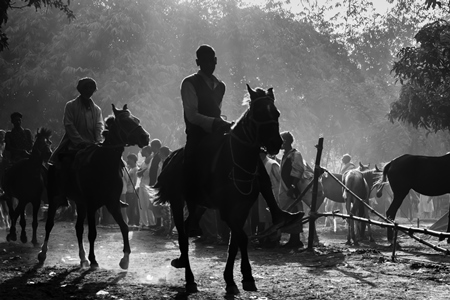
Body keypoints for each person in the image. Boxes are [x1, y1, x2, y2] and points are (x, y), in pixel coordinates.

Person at [180, 44, 300, 238]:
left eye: (212, 61)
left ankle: (276, 212)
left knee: (250, 155)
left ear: (216, 61)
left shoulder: (221, 85)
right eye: (205, 61)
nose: (210, 64)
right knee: (196, 162)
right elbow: (192, 115)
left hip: (218, 131)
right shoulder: (189, 83)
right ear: (198, 63)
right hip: (198, 134)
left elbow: (216, 110)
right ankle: (194, 213)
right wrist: (216, 123)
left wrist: (221, 124)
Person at [50, 77, 127, 208]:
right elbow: (69, 125)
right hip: (74, 144)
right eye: (87, 88)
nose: (89, 91)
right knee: (64, 163)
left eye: (92, 88)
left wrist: (97, 141)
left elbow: (99, 126)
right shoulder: (70, 105)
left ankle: (113, 196)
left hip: (93, 144)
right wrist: (79, 141)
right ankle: (62, 194)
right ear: (81, 90)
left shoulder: (97, 109)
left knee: (117, 163)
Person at [278, 131, 305, 248]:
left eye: (281, 140)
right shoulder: (286, 155)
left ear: (286, 141)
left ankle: (295, 240)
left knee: (294, 212)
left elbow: (298, 172)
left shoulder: (295, 154)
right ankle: (292, 239)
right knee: (288, 213)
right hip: (285, 188)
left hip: (292, 190)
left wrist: (293, 187)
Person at [137, 145, 155, 227]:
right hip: (142, 184)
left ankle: (152, 223)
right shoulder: (143, 162)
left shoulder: (152, 160)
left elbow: (148, 172)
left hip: (148, 185)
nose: (141, 152)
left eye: (143, 151)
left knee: (148, 205)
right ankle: (143, 223)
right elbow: (138, 174)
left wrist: (142, 171)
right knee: (142, 205)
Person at [147, 139, 162, 229]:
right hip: (153, 182)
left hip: (157, 182)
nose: (151, 148)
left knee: (158, 204)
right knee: (154, 204)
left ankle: (159, 223)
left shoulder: (159, 156)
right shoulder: (154, 156)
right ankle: (157, 222)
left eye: (152, 146)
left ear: (155, 146)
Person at [125, 153, 139, 226]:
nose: (127, 161)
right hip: (128, 190)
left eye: (129, 159)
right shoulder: (130, 169)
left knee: (131, 207)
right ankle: (130, 221)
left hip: (131, 191)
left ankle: (132, 221)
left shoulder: (136, 170)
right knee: (129, 206)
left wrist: (134, 190)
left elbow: (136, 181)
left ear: (133, 160)